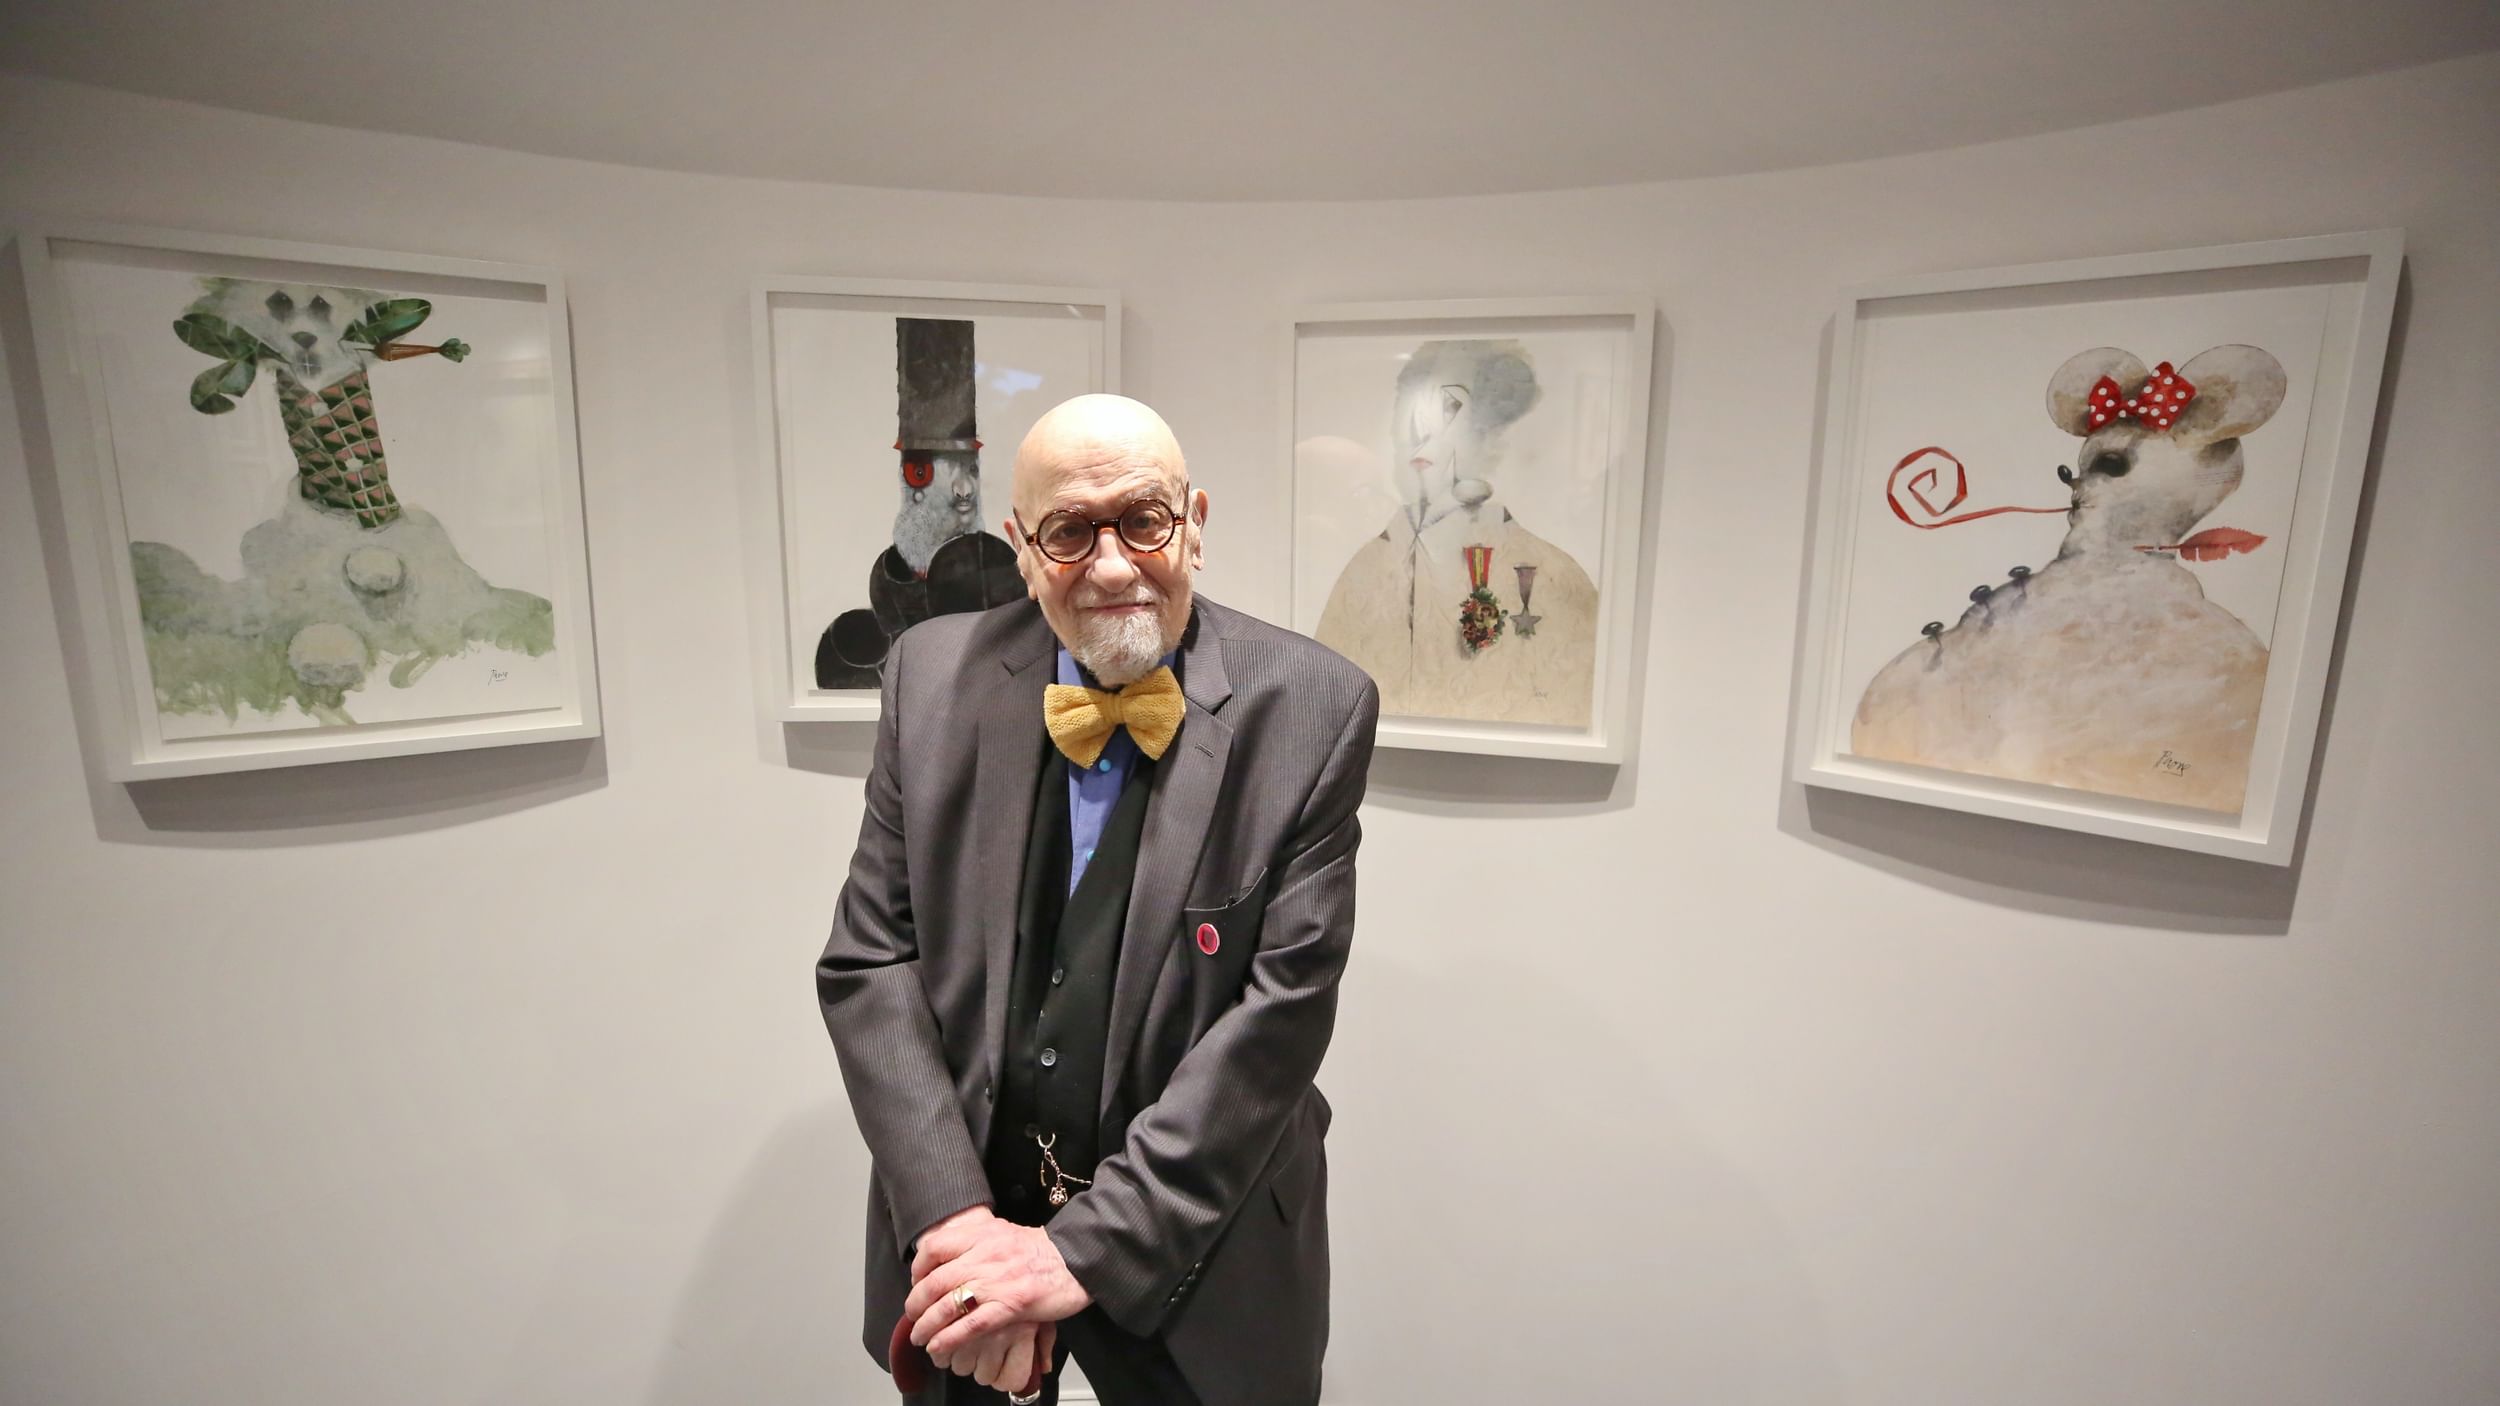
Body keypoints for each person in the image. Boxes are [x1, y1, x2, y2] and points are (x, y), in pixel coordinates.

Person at [816, 393, 1380, 1406]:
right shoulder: (926, 676)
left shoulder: (1316, 707)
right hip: (968, 1253)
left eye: (1144, 519)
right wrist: (955, 1223)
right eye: (1071, 531)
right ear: (1021, 546)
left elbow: (1277, 1021)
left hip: (1201, 1250)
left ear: (1193, 521)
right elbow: (870, 960)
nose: (1113, 564)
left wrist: (1074, 1254)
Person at [1313, 338, 1599, 727]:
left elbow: (1573, 714)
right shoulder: (1363, 573)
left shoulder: (1556, 579)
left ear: (1490, 436)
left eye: (1450, 410)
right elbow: (1322, 710)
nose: (1420, 435)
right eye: (1410, 413)